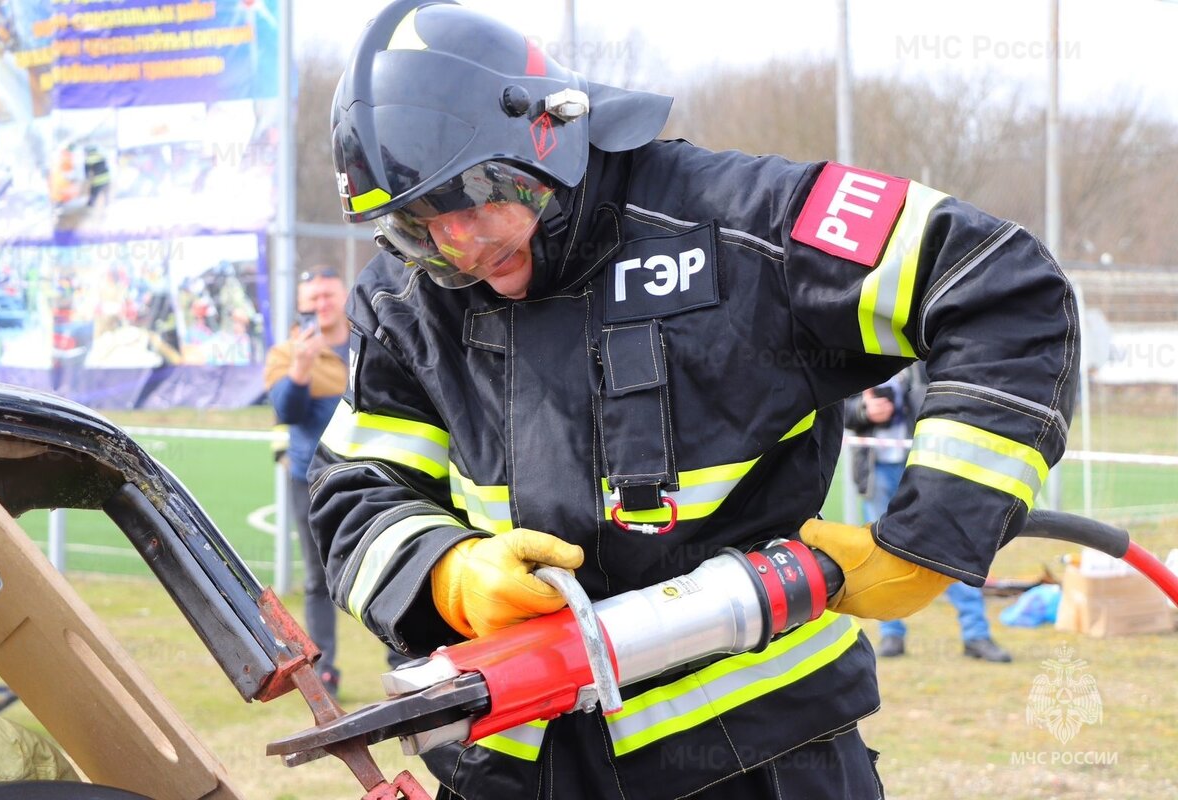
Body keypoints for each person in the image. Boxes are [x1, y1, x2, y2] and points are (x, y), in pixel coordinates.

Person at [310, 4, 1078, 797]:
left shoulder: (738, 222)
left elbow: (997, 286)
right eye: (416, 226)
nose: (462, 247)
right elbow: (356, 489)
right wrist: (448, 574)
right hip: (511, 767)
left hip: (758, 760)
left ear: (549, 136)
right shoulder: (408, 302)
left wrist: (926, 537)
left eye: (477, 200)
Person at [845, 364, 1012, 663]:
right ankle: (891, 635)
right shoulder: (858, 358)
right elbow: (837, 411)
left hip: (926, 468)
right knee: (882, 555)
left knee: (952, 546)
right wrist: (863, 410)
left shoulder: (928, 360)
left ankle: (976, 635)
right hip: (876, 474)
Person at [263, 267, 350, 696]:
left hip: (372, 472)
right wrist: (301, 366)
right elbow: (286, 411)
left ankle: (405, 662)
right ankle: (326, 671)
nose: (321, 304)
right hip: (311, 477)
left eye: (328, 295)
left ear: (344, 294)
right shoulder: (286, 351)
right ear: (302, 303)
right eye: (313, 298)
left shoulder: (370, 337)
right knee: (319, 580)